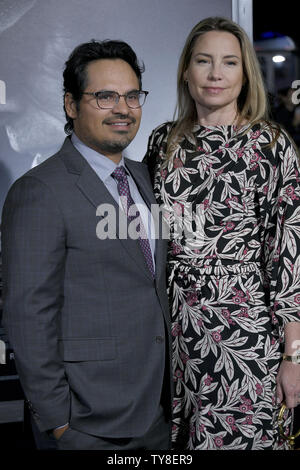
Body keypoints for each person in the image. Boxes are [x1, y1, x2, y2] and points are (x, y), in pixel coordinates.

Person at [1, 39, 172, 450]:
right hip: (88, 421)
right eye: (105, 96)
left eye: (132, 96)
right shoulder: (40, 190)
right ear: (71, 105)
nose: (123, 108)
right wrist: (59, 422)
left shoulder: (149, 178)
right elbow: (27, 315)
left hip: (160, 411)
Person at [143, 17, 300, 450]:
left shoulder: (271, 146)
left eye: (229, 62)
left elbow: (288, 257)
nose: (216, 74)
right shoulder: (163, 143)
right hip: (173, 331)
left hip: (245, 331)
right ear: (186, 72)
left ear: (245, 73)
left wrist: (294, 357)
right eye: (204, 61)